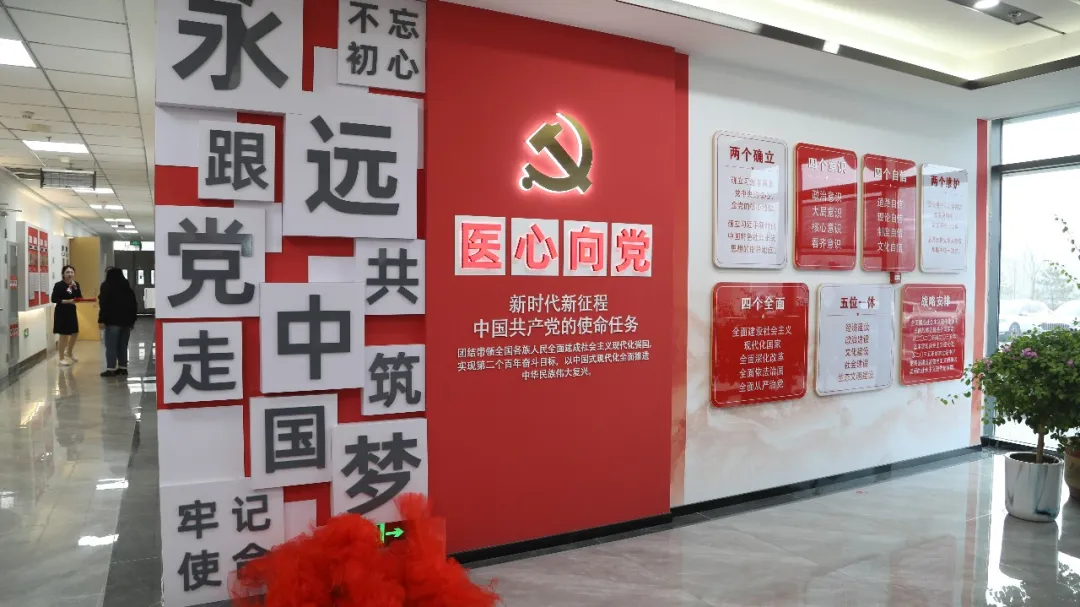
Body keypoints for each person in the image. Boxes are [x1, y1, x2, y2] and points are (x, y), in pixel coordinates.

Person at [97, 267, 137, 377]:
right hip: (126, 322)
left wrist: (101, 319)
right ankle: (123, 368)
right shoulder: (127, 287)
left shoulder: (106, 286)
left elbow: (104, 304)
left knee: (111, 346)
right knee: (123, 346)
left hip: (112, 321)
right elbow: (134, 305)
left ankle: (110, 369)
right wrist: (132, 320)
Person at [51, 265, 82, 365]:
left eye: (72, 272)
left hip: (71, 311)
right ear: (63, 274)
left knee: (75, 333)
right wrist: (68, 301)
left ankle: (69, 352)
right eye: (67, 272)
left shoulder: (75, 284)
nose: (70, 274)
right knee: (63, 335)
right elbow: (54, 299)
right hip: (61, 311)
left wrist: (76, 289)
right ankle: (61, 358)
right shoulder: (59, 285)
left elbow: (79, 297)